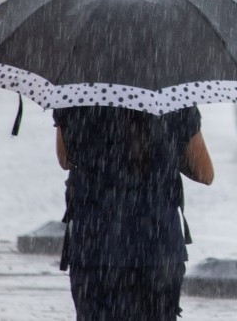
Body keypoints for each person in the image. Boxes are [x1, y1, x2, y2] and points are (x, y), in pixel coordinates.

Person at [53, 104, 214, 321]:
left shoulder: (76, 96)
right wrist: (167, 153)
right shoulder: (174, 100)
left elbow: (65, 159)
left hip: (95, 246)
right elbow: (204, 173)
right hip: (157, 248)